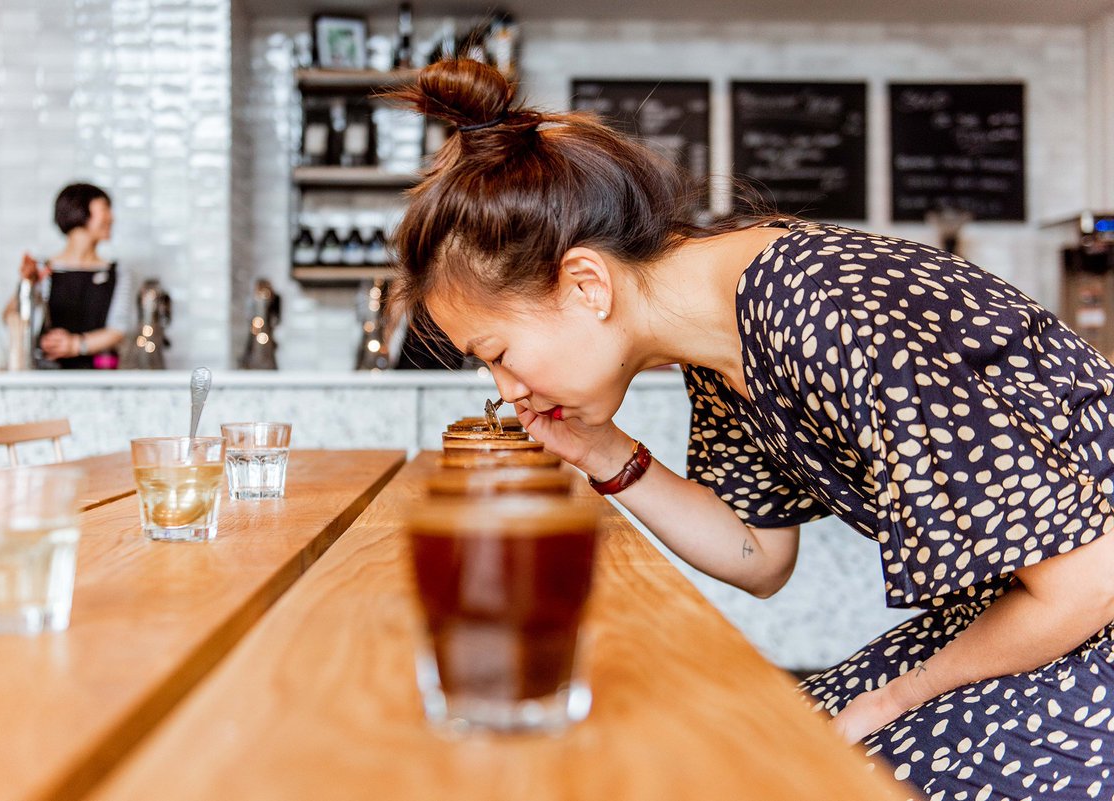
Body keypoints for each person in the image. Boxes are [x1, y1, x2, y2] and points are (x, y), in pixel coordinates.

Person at [387, 59, 1114, 800]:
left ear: (586, 284)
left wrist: (895, 699)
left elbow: (1088, 583)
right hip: (1045, 614)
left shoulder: (819, 302)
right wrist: (601, 452)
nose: (508, 391)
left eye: (499, 355)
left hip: (1090, 618)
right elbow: (760, 555)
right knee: (754, 753)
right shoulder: (718, 330)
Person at [7, 183, 130, 368]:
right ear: (79, 210)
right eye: (105, 208)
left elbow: (118, 329)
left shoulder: (117, 272)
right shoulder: (42, 269)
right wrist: (27, 284)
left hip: (100, 375)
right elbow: (10, 318)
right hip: (47, 372)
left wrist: (76, 345)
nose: (111, 218)